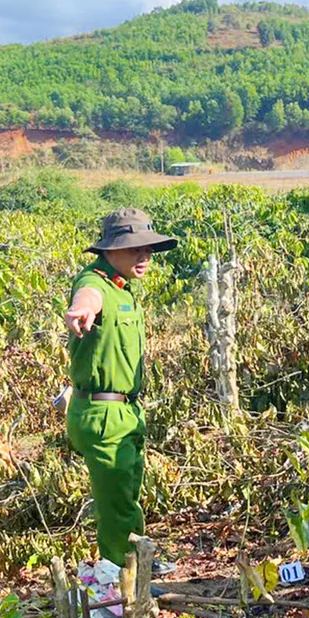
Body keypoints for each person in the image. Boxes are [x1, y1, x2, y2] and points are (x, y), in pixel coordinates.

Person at [64, 208, 178, 578]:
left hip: (125, 412)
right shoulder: (96, 283)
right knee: (115, 506)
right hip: (102, 414)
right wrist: (81, 310)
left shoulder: (122, 289)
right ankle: (122, 580)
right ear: (109, 250)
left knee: (126, 497)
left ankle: (135, 565)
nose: (143, 257)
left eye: (147, 249)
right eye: (134, 250)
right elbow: (87, 297)